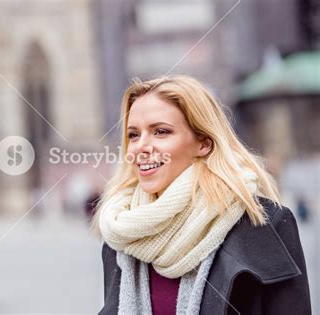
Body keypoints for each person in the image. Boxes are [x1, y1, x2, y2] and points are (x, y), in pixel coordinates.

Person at [91, 75, 311, 314]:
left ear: (204, 143)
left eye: (161, 132)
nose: (140, 147)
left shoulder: (264, 224)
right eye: (133, 134)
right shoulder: (122, 235)